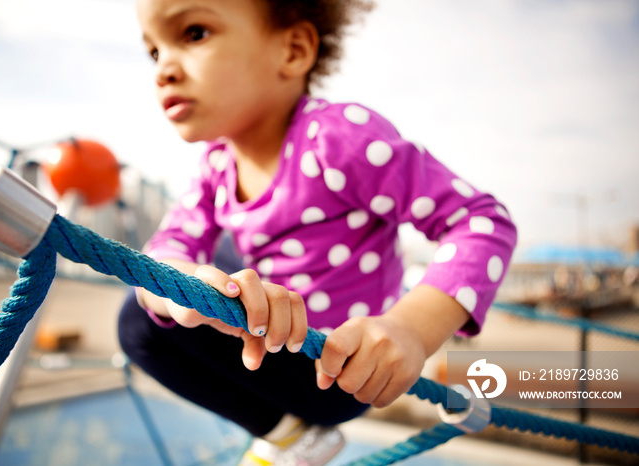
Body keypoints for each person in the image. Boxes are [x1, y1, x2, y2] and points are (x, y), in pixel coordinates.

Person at [117, 0, 518, 464]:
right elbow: (170, 244)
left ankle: (293, 430)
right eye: (153, 51)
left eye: (194, 33)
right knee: (140, 315)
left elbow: (481, 221)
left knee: (145, 305)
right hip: (272, 354)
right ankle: (290, 436)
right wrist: (180, 289)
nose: (163, 68)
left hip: (342, 371)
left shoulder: (337, 138)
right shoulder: (216, 167)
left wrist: (412, 329)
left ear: (292, 50)